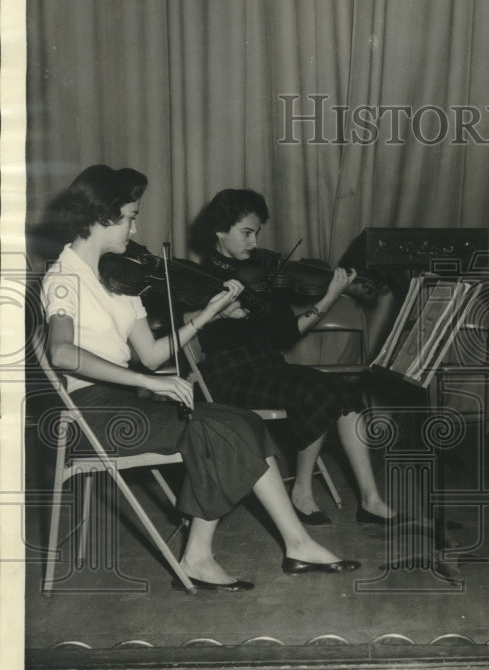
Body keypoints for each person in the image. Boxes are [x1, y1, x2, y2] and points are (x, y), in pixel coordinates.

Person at [40, 165, 360, 592]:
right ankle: (201, 557)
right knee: (218, 428)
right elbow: (62, 353)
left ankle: (290, 545)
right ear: (103, 217)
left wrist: (207, 314)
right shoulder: (63, 278)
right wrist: (154, 385)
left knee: (242, 421)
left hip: (127, 404)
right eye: (131, 216)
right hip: (91, 415)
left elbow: (153, 356)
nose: (136, 227)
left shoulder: (118, 276)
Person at [190, 189, 395, 527]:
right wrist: (215, 311)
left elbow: (287, 333)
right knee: (316, 389)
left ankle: (370, 499)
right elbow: (179, 324)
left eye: (257, 233)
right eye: (247, 232)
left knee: (345, 392)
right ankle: (302, 491)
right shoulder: (199, 278)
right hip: (228, 376)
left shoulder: (262, 275)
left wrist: (330, 296)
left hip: (268, 368)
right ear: (220, 230)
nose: (255, 242)